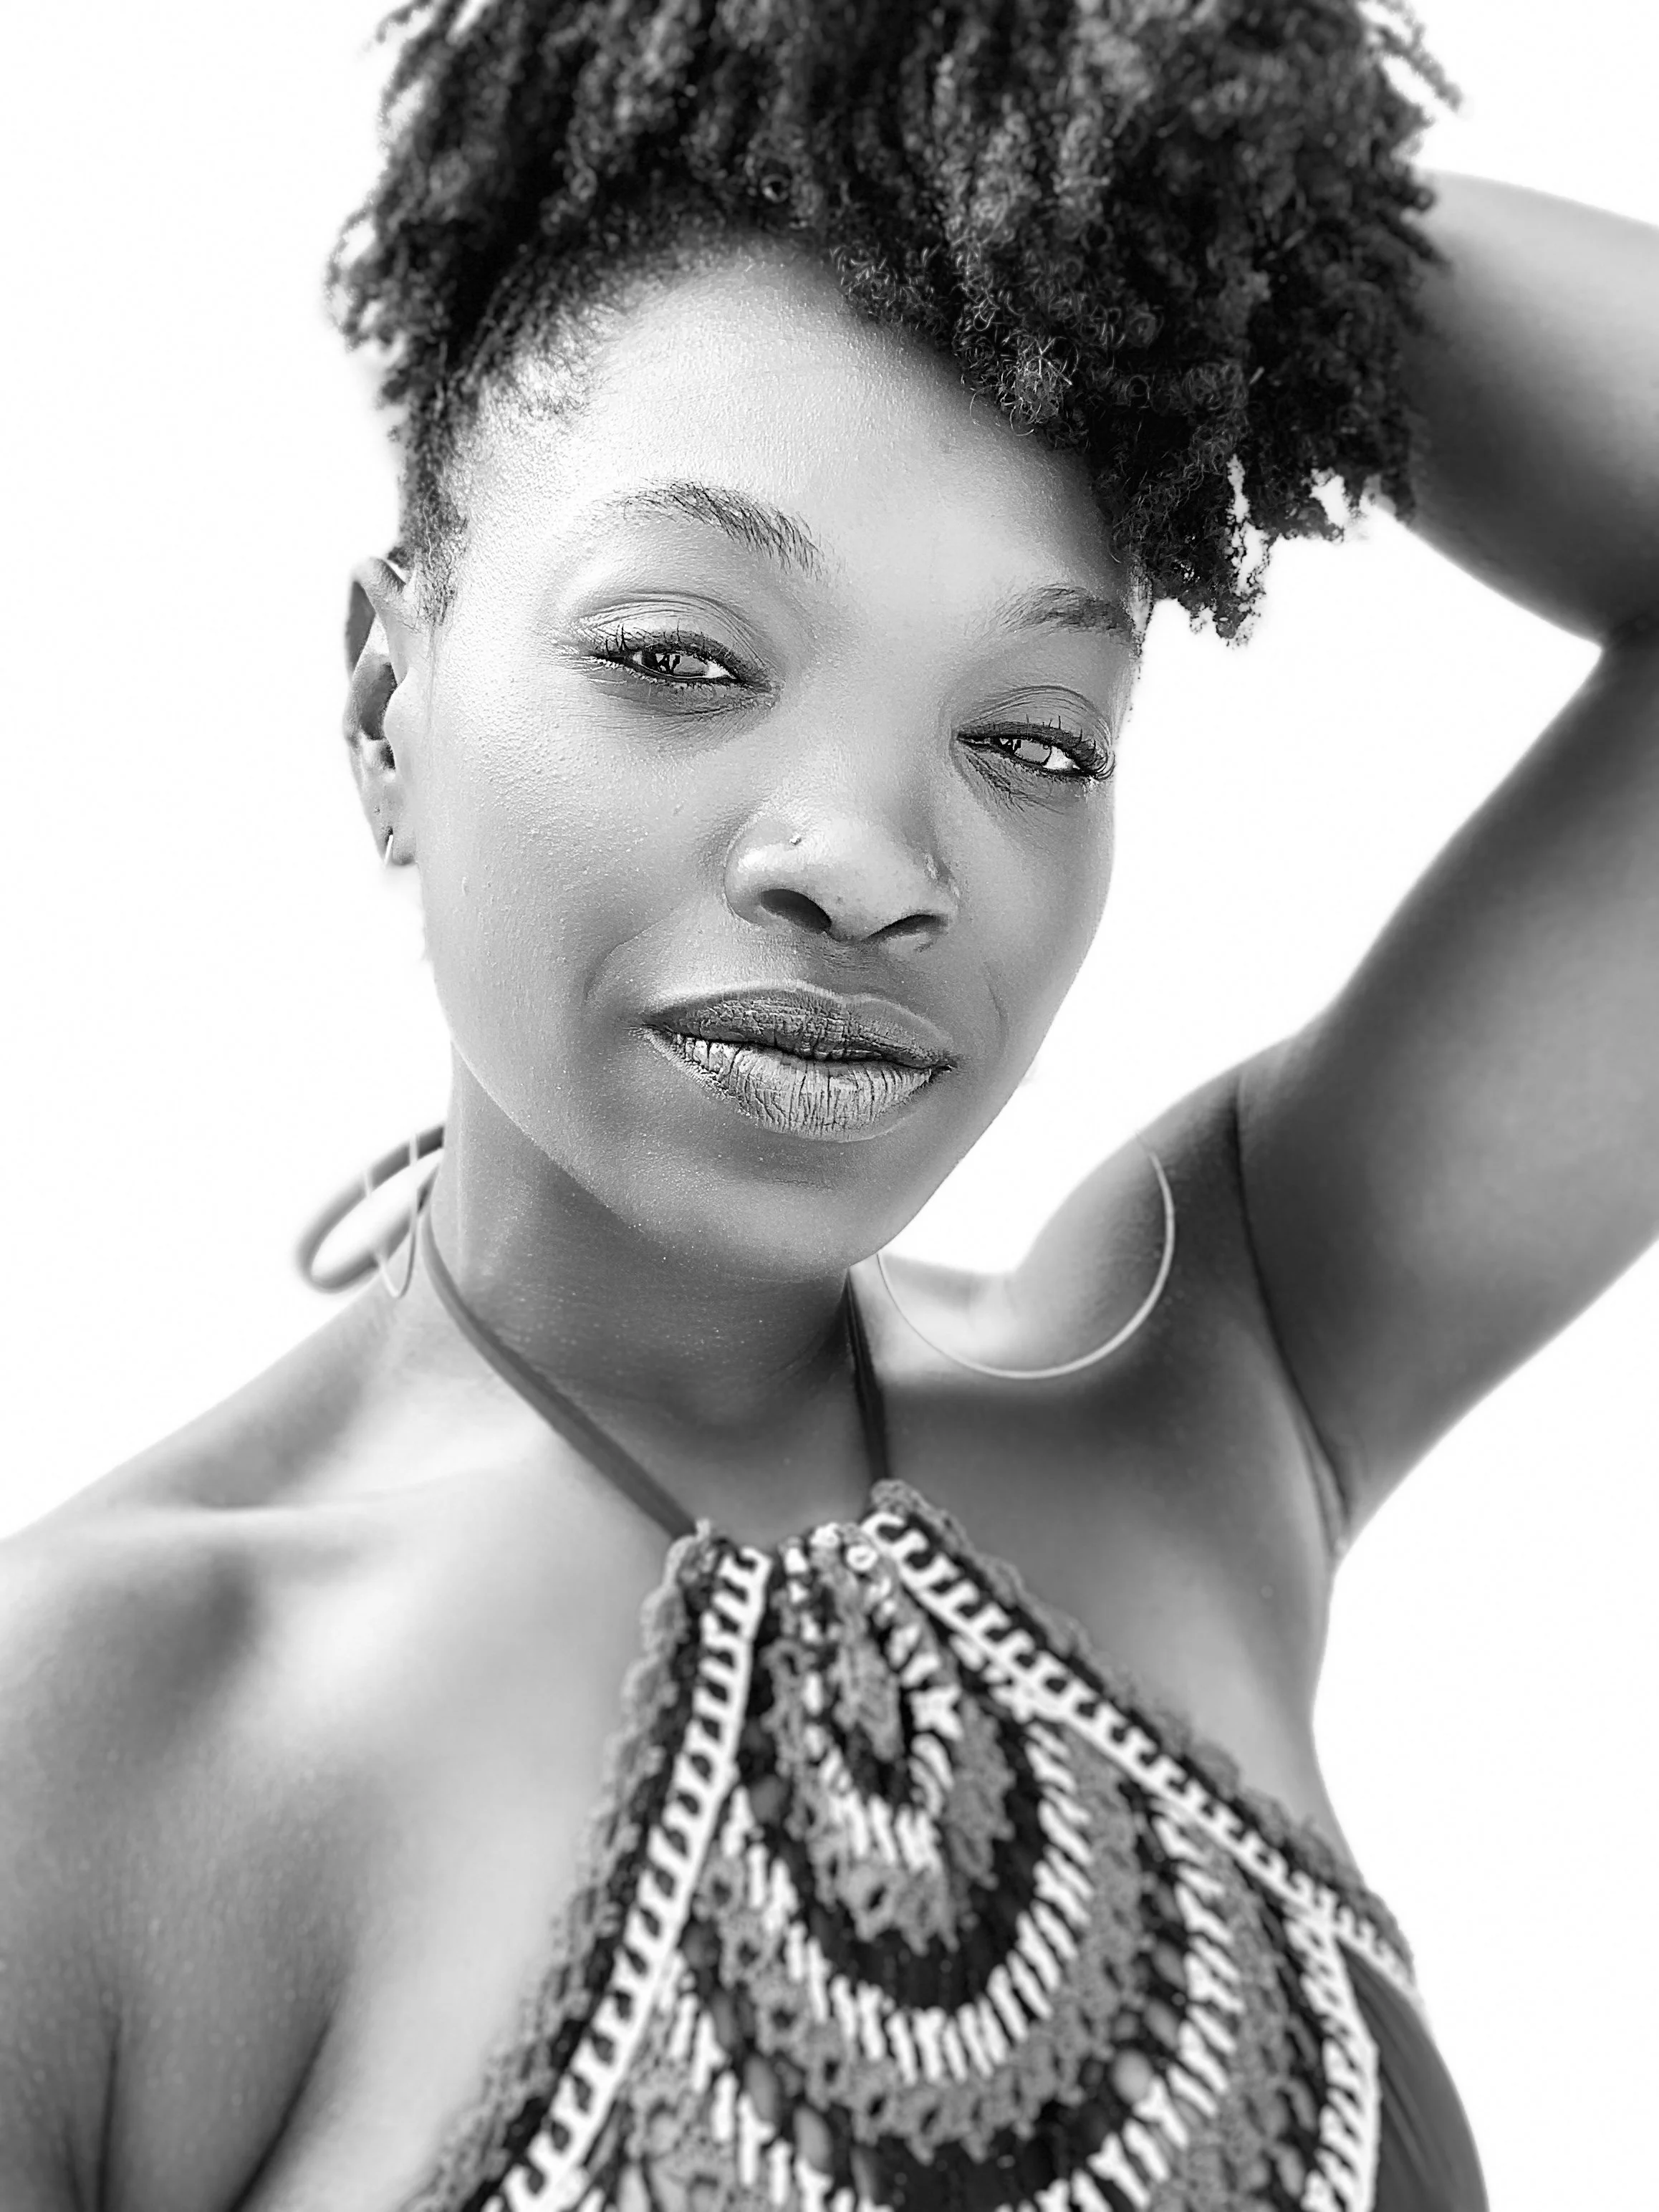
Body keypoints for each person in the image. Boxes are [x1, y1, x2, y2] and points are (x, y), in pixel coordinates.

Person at [1, 2, 1654, 2207]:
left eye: (1033, 737)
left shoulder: (1208, 1380)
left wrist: (1188, 186)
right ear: (389, 706)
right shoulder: (99, 1738)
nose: (868, 862)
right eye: (681, 657)